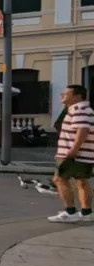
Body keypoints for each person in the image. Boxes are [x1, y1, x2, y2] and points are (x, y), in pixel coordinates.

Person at [49, 84, 94, 223]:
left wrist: (73, 150)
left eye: (66, 93)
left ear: (77, 96)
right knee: (81, 181)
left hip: (73, 154)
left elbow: (82, 130)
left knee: (59, 179)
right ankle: (86, 213)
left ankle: (70, 212)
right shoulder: (84, 109)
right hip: (83, 154)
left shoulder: (79, 109)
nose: (62, 95)